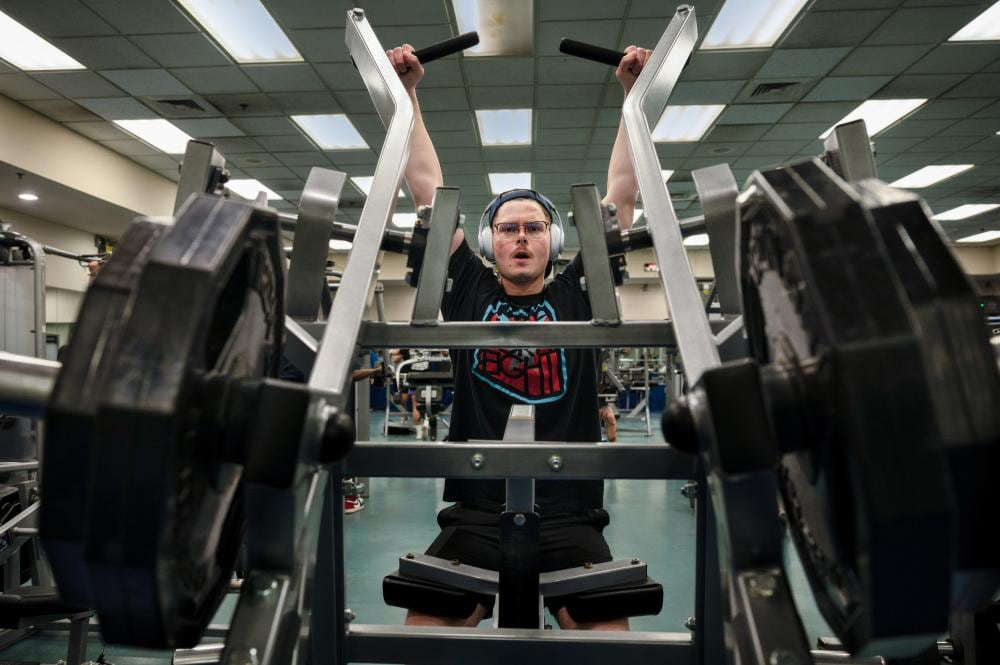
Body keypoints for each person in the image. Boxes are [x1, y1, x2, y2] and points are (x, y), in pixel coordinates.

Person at [387, 42, 649, 630]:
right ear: (490, 242)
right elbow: (428, 192)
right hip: (475, 511)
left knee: (611, 646)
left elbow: (622, 199)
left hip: (571, 514)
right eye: (509, 228)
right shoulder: (467, 291)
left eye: (535, 227)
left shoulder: (583, 294)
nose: (522, 238)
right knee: (421, 640)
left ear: (554, 241)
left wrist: (634, 95)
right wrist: (406, 96)